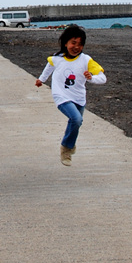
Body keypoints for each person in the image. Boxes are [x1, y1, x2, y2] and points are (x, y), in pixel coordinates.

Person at [35, 25, 106, 166]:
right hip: (61, 96)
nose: (76, 47)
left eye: (80, 44)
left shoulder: (86, 60)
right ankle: (66, 149)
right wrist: (41, 80)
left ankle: (68, 146)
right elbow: (49, 66)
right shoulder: (57, 58)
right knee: (76, 119)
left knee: (76, 123)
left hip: (79, 98)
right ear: (66, 43)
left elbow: (103, 78)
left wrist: (91, 78)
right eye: (73, 43)